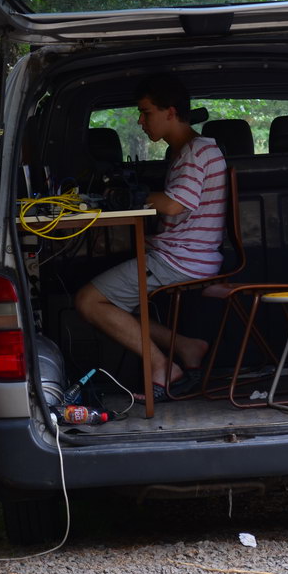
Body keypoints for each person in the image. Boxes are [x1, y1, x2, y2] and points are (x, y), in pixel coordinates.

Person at [75, 74, 227, 403]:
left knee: (89, 301)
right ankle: (185, 346)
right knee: (110, 303)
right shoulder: (185, 151)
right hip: (182, 255)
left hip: (181, 261)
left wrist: (133, 196)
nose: (140, 122)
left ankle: (163, 368)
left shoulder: (196, 151)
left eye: (146, 112)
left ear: (170, 112)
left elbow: (174, 204)